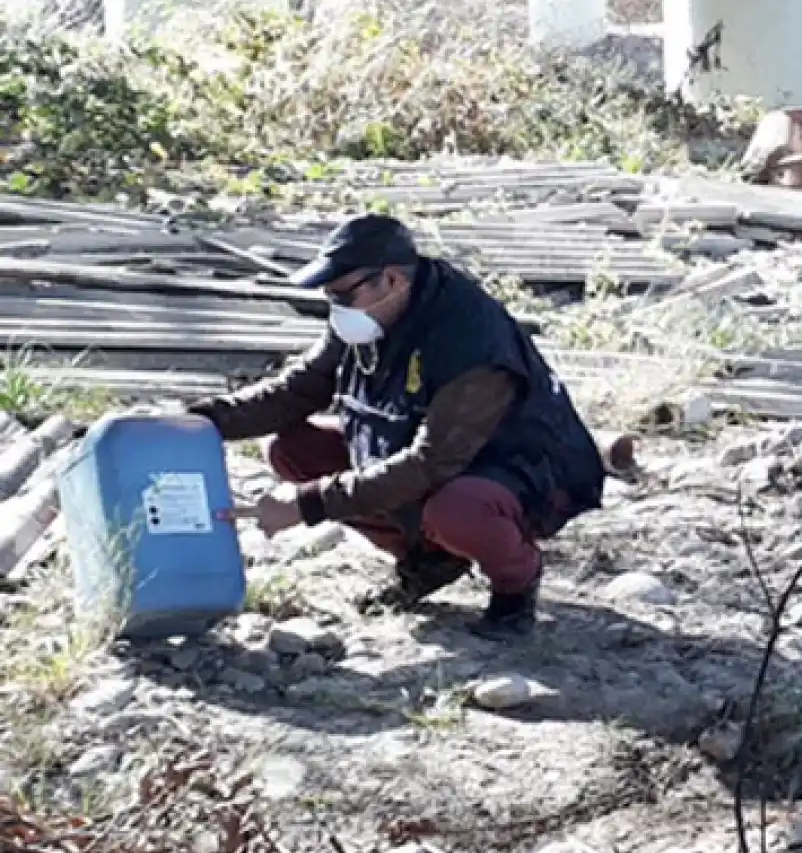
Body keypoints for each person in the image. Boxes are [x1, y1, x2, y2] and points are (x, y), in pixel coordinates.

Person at [187, 214, 607, 639]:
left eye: (341, 294)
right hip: (419, 451)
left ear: (390, 280)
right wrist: (201, 421)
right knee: (293, 450)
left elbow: (432, 462)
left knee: (457, 509)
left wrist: (306, 505)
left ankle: (516, 584)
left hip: (514, 468)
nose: (334, 307)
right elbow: (297, 391)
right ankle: (429, 559)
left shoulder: (472, 340)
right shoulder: (367, 316)